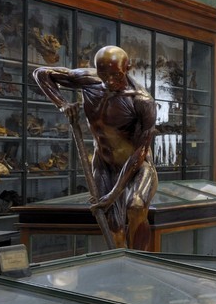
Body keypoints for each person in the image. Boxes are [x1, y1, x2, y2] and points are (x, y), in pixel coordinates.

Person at [34, 46, 159, 250]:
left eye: (115, 75)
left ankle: (140, 261)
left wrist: (115, 192)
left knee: (135, 206)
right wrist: (62, 104)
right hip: (104, 164)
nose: (109, 81)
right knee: (113, 226)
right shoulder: (88, 80)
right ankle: (120, 268)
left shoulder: (142, 101)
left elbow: (141, 151)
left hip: (136, 165)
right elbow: (41, 73)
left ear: (128, 68)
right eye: (104, 75)